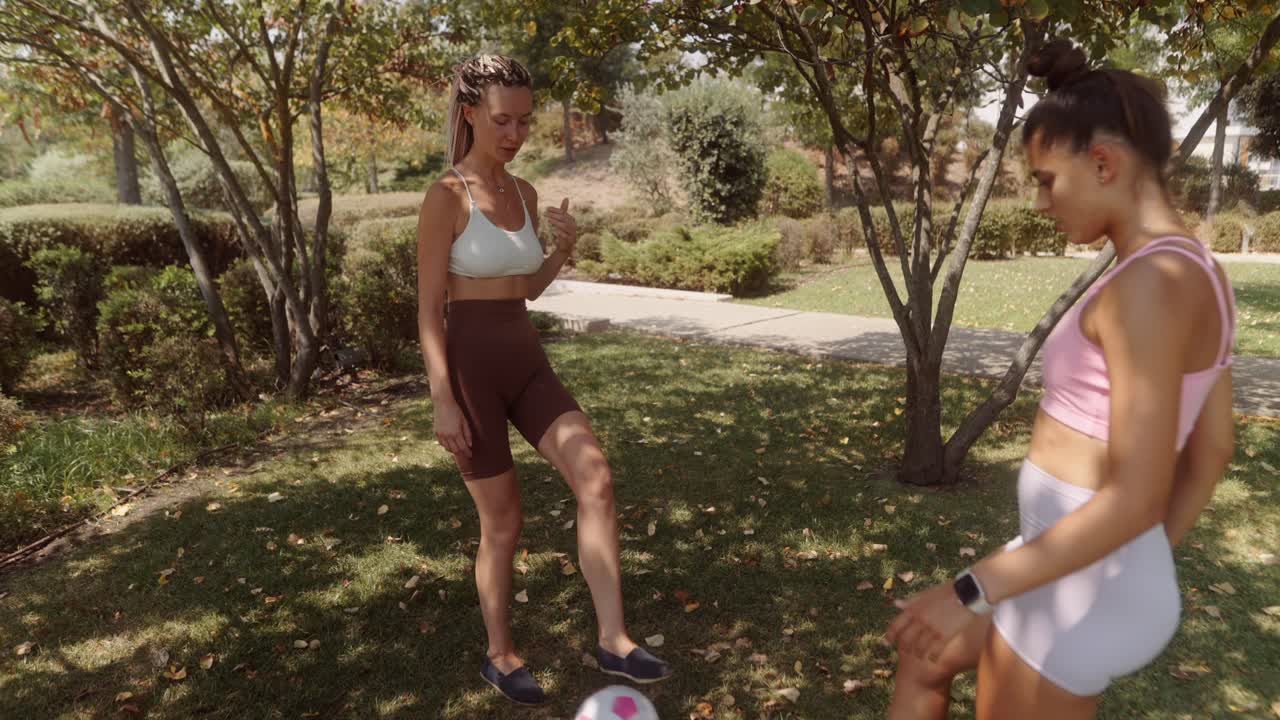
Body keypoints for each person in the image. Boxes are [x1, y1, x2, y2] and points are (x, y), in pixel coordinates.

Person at [885, 40, 1237, 720]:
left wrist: (969, 589)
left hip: (1084, 581)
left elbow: (1136, 497)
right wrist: (1136, 560)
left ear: (1103, 163)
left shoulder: (1148, 287)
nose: (1043, 203)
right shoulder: (1199, 273)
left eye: (1047, 180)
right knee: (924, 655)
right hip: (1089, 565)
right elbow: (1214, 446)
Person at [414, 54, 672, 706]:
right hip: (471, 372)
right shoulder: (447, 197)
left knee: (596, 478)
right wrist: (443, 399)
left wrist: (561, 248)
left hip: (528, 361)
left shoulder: (525, 193)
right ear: (470, 113)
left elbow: (524, 287)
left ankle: (614, 638)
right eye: (503, 120)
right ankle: (501, 655)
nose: (515, 134)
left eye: (525, 122)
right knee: (504, 524)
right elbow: (427, 312)